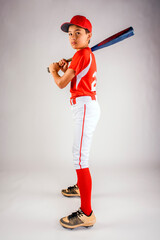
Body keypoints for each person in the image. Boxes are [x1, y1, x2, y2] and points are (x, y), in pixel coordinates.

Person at [49, 15, 100, 229]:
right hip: (85, 106)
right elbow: (72, 78)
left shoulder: (80, 55)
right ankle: (81, 186)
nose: (72, 37)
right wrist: (62, 67)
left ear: (89, 36)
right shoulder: (81, 54)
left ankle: (86, 213)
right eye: (70, 34)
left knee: (80, 158)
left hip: (85, 107)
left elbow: (61, 83)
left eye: (78, 33)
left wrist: (53, 71)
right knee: (79, 155)